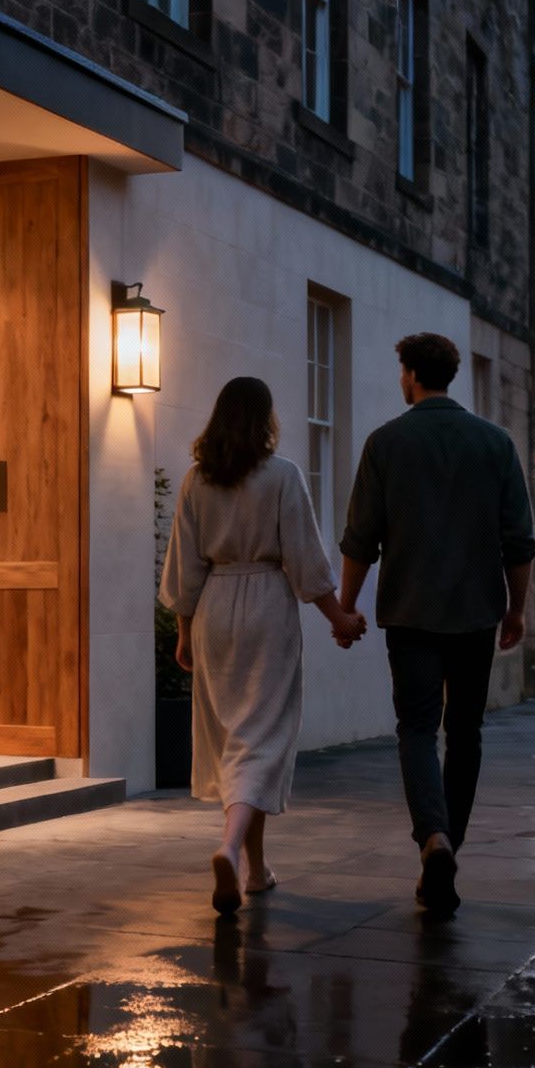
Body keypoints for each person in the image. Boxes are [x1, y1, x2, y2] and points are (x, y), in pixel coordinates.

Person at [337, 334, 535, 917]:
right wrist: (517, 608)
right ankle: (449, 846)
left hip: (410, 613)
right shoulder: (495, 443)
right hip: (476, 612)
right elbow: (519, 543)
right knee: (467, 733)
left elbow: (360, 539)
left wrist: (348, 608)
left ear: (410, 376)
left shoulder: (386, 443)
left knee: (418, 729)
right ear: (451, 376)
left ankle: (434, 840)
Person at [160, 377, 368, 916]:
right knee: (263, 737)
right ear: (264, 420)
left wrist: (184, 633)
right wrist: (339, 617)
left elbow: (184, 566)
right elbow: (305, 560)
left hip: (214, 609)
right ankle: (230, 849)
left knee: (235, 736)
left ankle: (254, 870)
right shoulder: (282, 476)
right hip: (267, 610)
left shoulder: (195, 481)